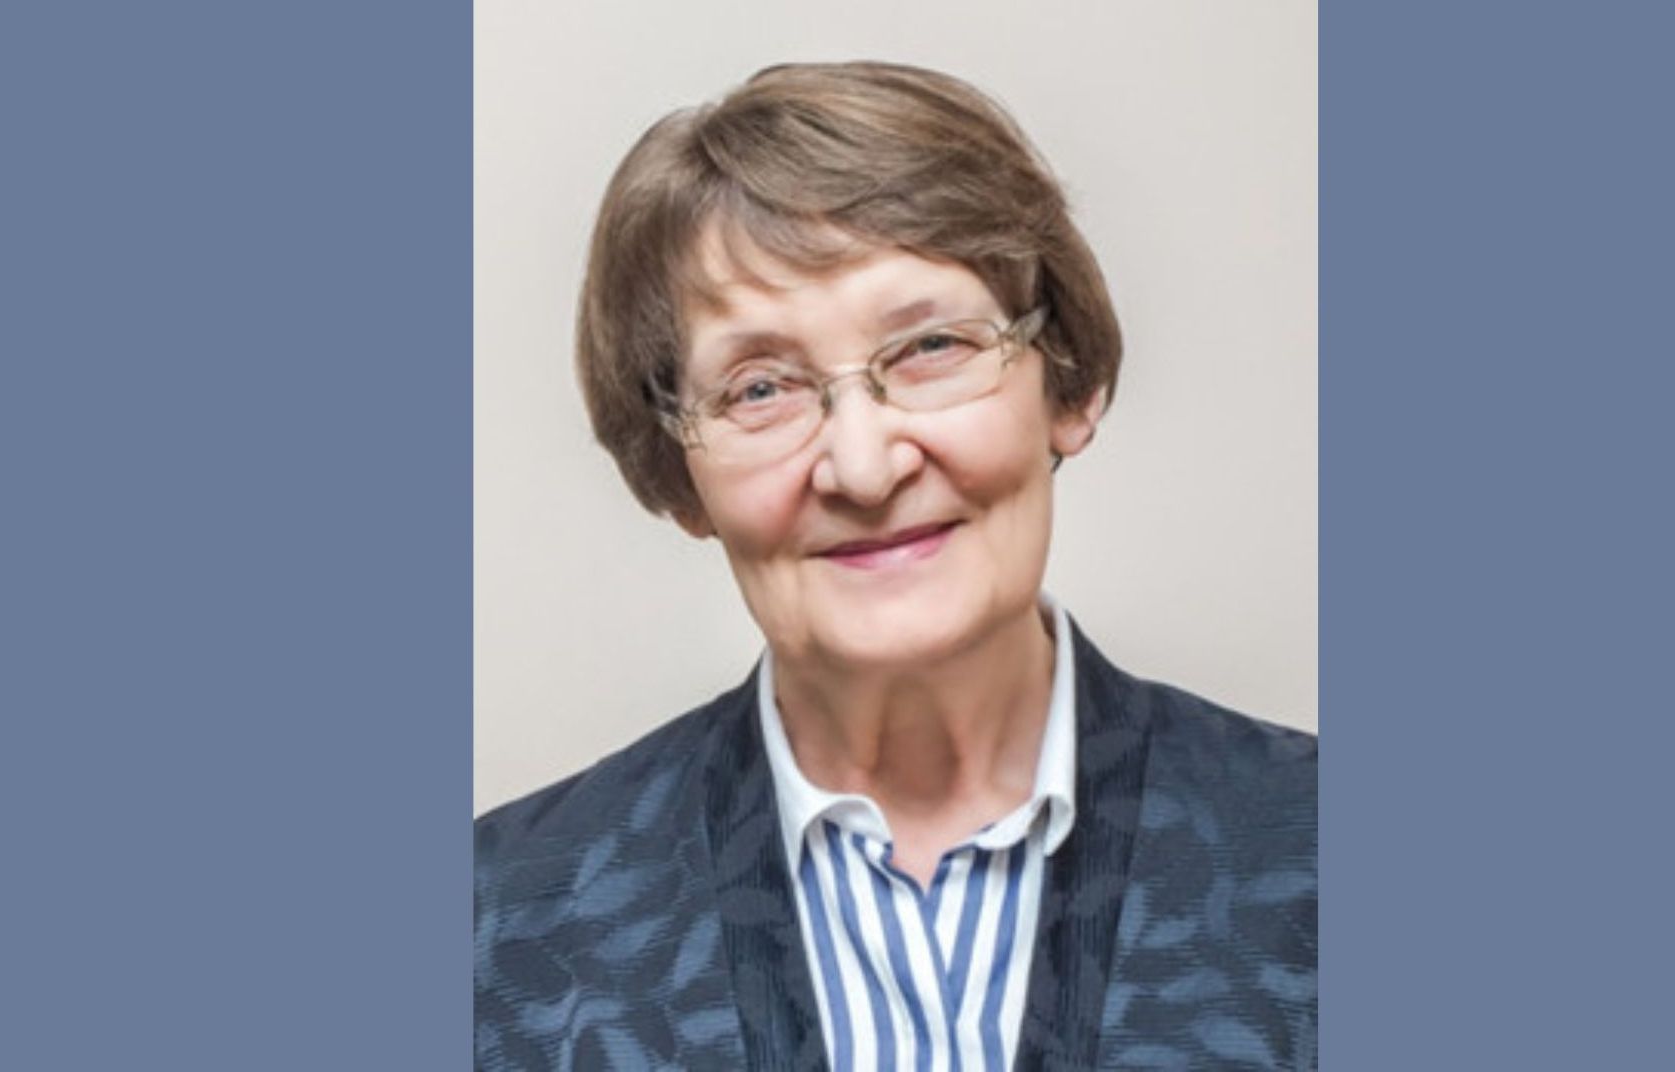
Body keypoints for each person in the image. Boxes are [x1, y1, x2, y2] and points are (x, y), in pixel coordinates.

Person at [474, 61, 1316, 1071]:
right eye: (759, 389)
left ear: (1069, 384)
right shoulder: (495, 932)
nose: (865, 468)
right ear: (677, 474)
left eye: (930, 347)